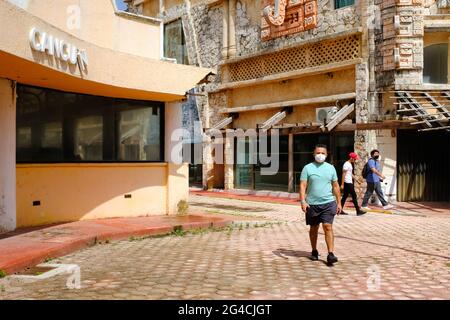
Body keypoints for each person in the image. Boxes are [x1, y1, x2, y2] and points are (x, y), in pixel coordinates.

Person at [299, 144, 342, 266]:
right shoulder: (307, 168)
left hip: (328, 203)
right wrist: (303, 201)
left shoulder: (331, 168)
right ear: (314, 154)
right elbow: (303, 185)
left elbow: (335, 186)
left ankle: (331, 254)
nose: (320, 155)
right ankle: (314, 250)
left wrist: (339, 202)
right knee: (314, 228)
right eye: (318, 153)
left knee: (328, 226)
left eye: (323, 153)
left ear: (327, 155)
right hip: (312, 204)